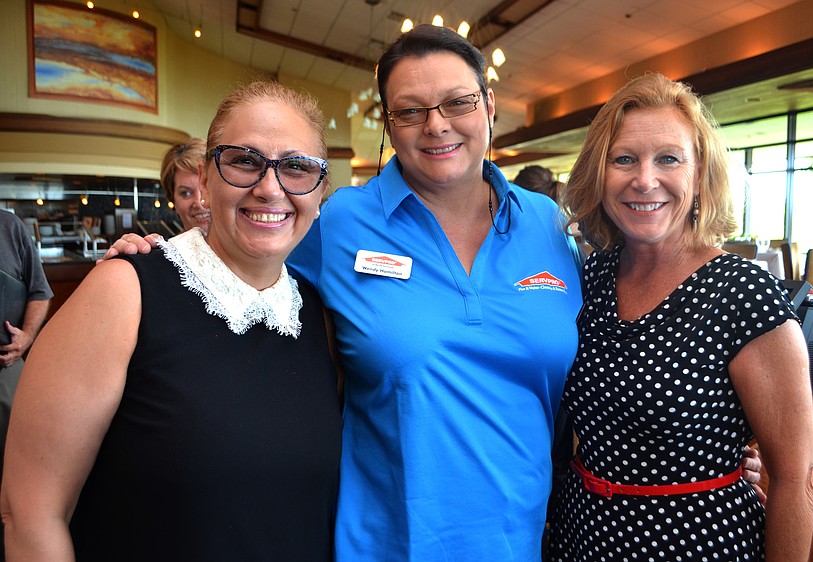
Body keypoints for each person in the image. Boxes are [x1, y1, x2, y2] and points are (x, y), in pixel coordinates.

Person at [100, 29, 765, 561]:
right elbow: (245, 269)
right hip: (385, 543)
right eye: (410, 111)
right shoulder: (340, 222)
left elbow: (607, 356)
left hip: (535, 538)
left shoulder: (547, 225)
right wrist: (163, 261)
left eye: (456, 103)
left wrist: (719, 445)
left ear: (489, 109)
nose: (436, 125)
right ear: (388, 125)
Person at [0, 81, 341, 561]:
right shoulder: (124, 291)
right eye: (244, 161)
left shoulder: (315, 315)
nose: (270, 188)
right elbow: (30, 513)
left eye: (296, 167)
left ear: (320, 189)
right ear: (205, 178)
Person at [547, 72, 813, 561]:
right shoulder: (590, 278)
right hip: (583, 535)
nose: (644, 179)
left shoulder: (743, 293)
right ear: (599, 174)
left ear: (699, 176)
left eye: (668, 158)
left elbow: (798, 477)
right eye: (624, 159)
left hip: (696, 543)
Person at [0, 210, 53, 561]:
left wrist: (27, 337)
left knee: (21, 486)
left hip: (5, 370)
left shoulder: (9, 227)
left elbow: (40, 291)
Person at [160, 137, 211, 233]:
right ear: (173, 200)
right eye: (186, 193)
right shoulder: (167, 248)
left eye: (207, 188)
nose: (199, 203)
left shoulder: (246, 243)